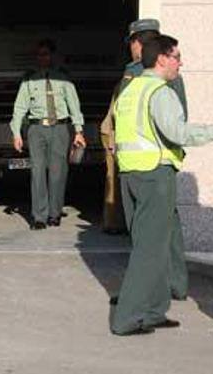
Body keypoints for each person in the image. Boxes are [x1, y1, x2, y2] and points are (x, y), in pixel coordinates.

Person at [111, 35, 213, 336]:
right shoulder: (160, 91)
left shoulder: (131, 88)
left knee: (155, 247)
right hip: (154, 175)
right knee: (149, 250)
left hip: (131, 174)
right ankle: (127, 319)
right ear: (161, 59)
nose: (180, 63)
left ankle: (154, 311)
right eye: (177, 56)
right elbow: (176, 133)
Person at [10, 39, 87, 230]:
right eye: (39, 54)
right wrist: (16, 133)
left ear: (52, 56)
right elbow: (19, 107)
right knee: (37, 172)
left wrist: (78, 130)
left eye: (45, 54)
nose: (42, 58)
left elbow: (74, 105)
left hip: (59, 128)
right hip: (37, 128)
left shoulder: (63, 78)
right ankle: (39, 216)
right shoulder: (29, 79)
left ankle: (54, 213)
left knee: (58, 171)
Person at [100, 19, 161, 234]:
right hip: (153, 154)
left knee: (134, 204)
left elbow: (124, 111)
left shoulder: (136, 70)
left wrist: (115, 140)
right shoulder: (168, 69)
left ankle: (120, 226)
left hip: (134, 151)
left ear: (137, 42)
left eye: (132, 42)